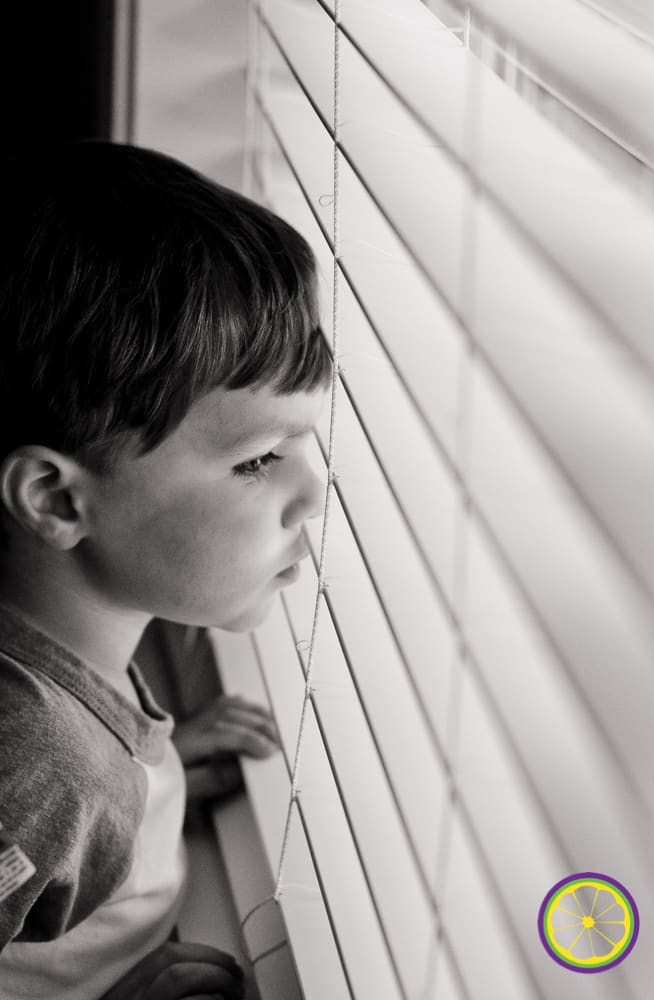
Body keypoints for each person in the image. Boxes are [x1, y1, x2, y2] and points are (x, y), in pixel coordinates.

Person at [0, 141, 332, 999]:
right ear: (58, 501)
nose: (313, 493)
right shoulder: (34, 770)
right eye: (259, 460)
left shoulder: (68, 680)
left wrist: (156, 763)